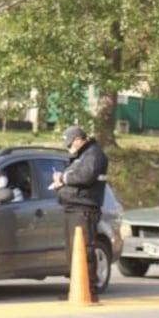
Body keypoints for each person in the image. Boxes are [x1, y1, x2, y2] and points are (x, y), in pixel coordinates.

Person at [50, 125, 109, 301]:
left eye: (70, 144)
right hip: (73, 207)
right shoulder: (81, 156)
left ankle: (89, 289)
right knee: (74, 252)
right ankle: (77, 287)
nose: (69, 148)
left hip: (84, 209)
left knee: (85, 249)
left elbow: (85, 177)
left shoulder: (93, 155)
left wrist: (62, 179)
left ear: (78, 139)